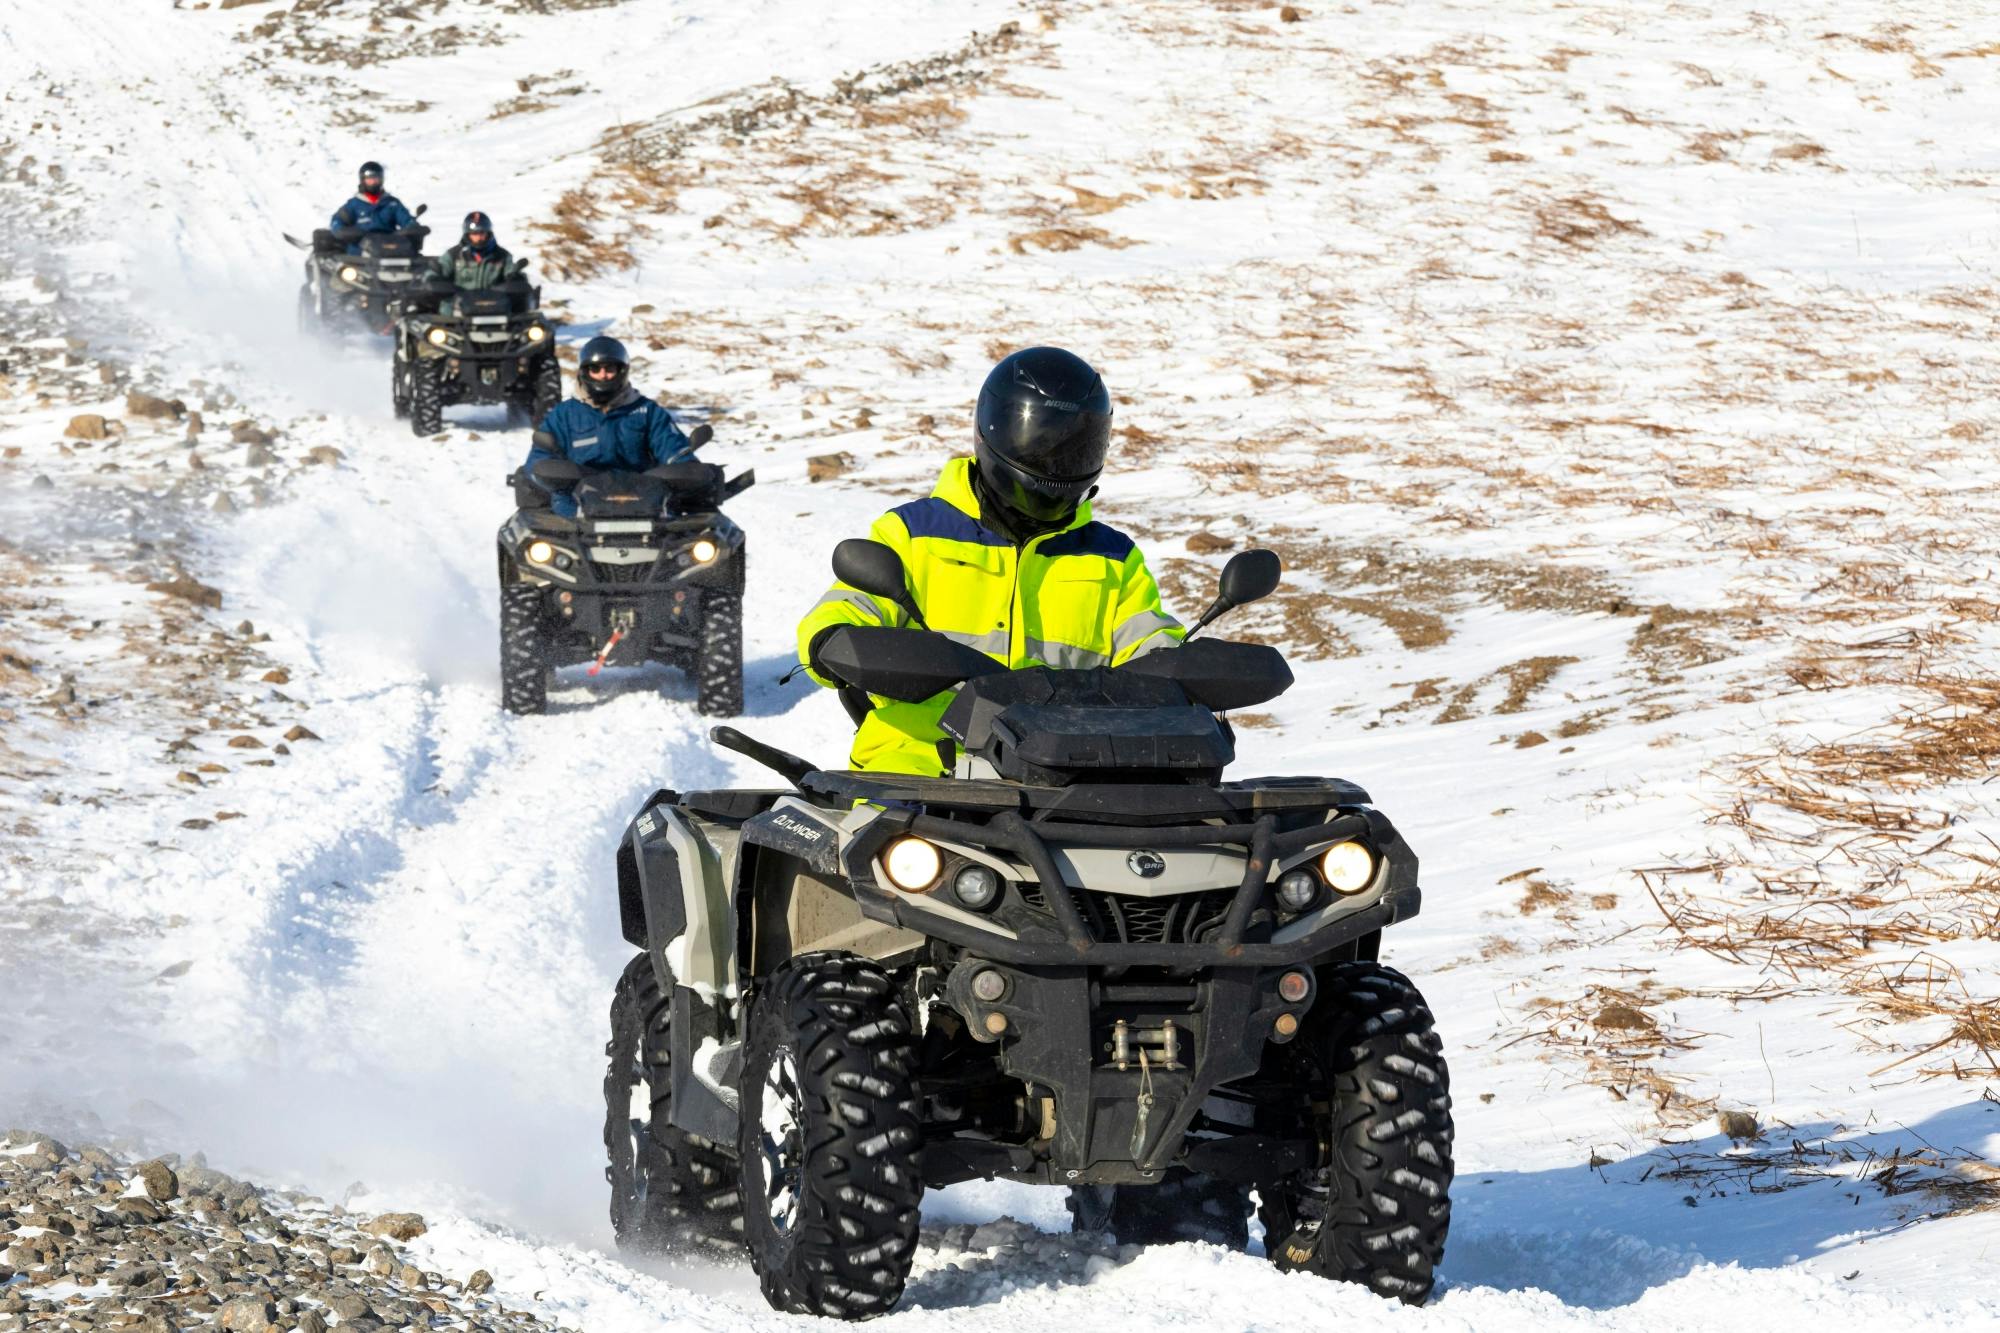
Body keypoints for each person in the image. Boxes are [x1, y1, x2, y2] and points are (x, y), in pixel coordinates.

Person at [795, 346, 1182, 775]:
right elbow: (847, 606)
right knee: (873, 834)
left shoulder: (1112, 556)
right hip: (919, 767)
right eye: (1039, 442)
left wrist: (1187, 673)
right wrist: (834, 639)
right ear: (990, 430)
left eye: (1075, 447)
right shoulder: (914, 533)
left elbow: (1153, 650)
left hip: (1067, 774)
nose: (1055, 461)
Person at [524, 336, 696, 517]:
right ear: (584, 372)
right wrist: (553, 474)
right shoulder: (564, 414)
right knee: (542, 538)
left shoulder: (647, 411)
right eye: (595, 369)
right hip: (576, 504)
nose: (603, 375)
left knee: (693, 535)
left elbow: (673, 449)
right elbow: (538, 460)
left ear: (622, 370)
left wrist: (687, 469)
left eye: (610, 369)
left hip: (642, 500)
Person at [429, 211, 515, 312]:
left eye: (482, 233)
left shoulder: (502, 256)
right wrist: (433, 278)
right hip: (458, 309)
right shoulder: (454, 255)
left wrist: (516, 277)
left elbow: (512, 273)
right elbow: (438, 269)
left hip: (494, 307)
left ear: (488, 233)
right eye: (474, 234)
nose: (478, 237)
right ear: (467, 235)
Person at [328, 161, 416, 251]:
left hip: (388, 248)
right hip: (360, 251)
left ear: (381, 179)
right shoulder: (354, 204)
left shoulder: (392, 203)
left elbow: (406, 220)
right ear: (363, 180)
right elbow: (337, 221)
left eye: (376, 179)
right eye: (369, 179)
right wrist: (344, 231)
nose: (373, 182)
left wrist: (413, 227)